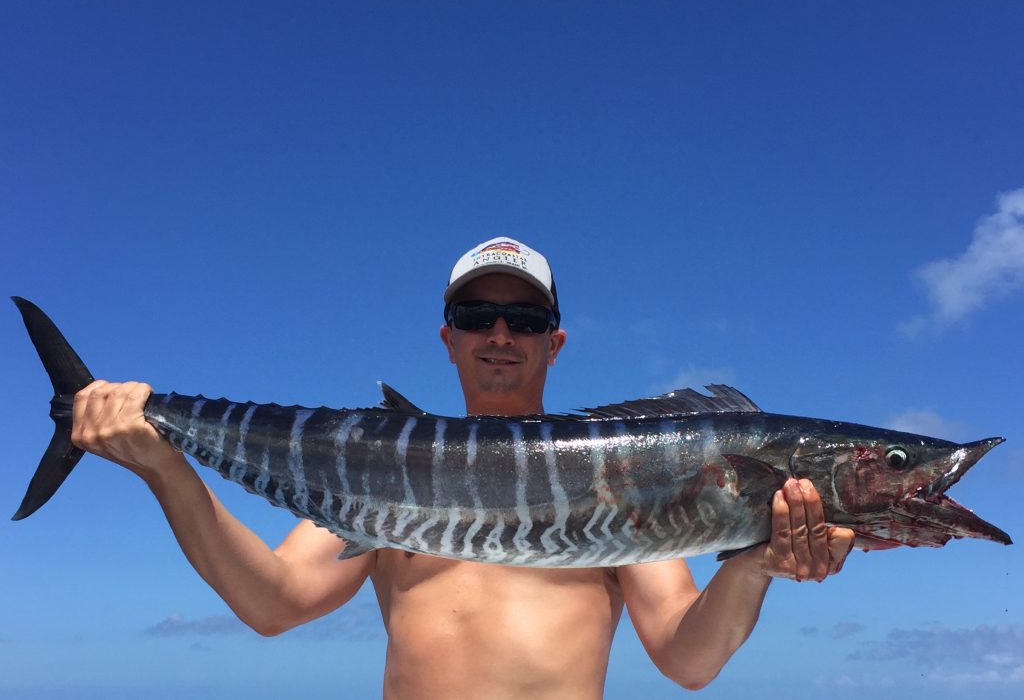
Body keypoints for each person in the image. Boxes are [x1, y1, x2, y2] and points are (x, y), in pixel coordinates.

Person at [71, 236, 855, 698]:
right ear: (447, 337)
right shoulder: (384, 466)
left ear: (555, 341)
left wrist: (755, 564)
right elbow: (275, 602)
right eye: (476, 316)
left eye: (527, 318)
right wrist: (166, 471)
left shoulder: (624, 475)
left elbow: (687, 658)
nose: (500, 333)